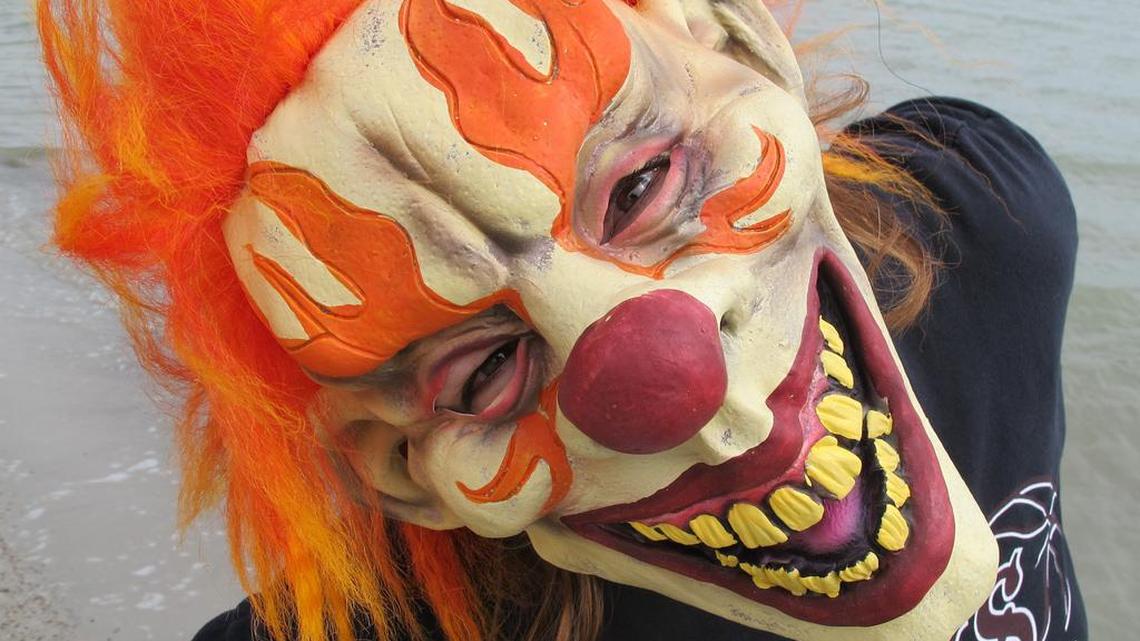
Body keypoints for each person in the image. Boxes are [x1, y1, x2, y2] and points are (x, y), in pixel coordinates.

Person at [37, 0, 1086, 639]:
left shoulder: (986, 213)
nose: (680, 389)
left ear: (744, 47)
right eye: (484, 371)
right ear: (399, 473)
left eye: (638, 189)